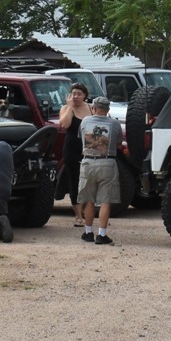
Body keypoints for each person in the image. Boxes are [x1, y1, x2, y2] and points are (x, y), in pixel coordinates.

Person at [77, 96, 123, 245]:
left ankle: (88, 232)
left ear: (94, 108)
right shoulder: (115, 124)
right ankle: (102, 234)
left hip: (88, 162)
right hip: (107, 162)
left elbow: (81, 138)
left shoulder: (85, 121)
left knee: (89, 199)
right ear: (108, 109)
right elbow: (118, 143)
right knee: (105, 201)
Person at [58, 82, 90, 227]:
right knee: (75, 180)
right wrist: (70, 107)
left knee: (88, 181)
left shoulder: (90, 108)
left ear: (85, 96)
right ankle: (78, 215)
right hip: (72, 149)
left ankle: (85, 211)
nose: (76, 97)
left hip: (89, 149)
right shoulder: (65, 108)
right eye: (74, 94)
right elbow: (64, 125)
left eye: (79, 94)